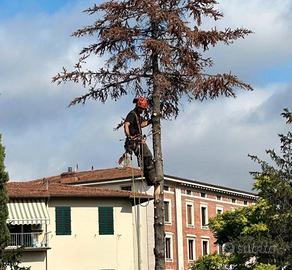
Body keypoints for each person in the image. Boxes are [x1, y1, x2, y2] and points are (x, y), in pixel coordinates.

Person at [123, 97, 156, 186]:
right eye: (142, 108)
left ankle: (150, 179)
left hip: (137, 140)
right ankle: (152, 179)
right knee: (148, 156)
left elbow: (141, 124)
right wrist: (129, 136)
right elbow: (126, 124)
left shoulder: (137, 116)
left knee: (146, 158)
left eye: (143, 109)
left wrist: (150, 121)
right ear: (138, 106)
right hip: (134, 141)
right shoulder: (132, 114)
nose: (143, 110)